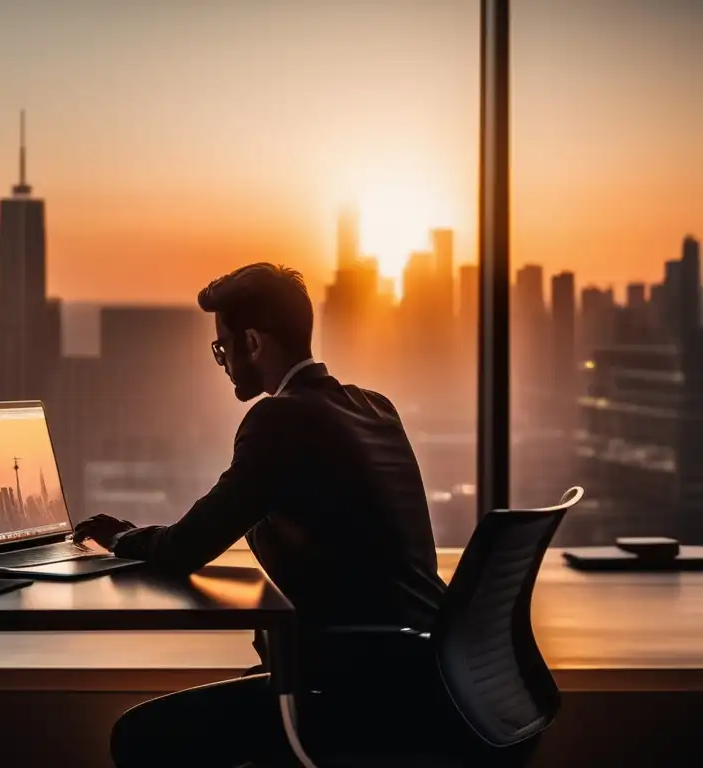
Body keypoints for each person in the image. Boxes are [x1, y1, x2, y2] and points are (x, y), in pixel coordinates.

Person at [75, 263, 447, 767]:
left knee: (138, 737)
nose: (222, 362)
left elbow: (184, 547)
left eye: (222, 347)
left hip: (351, 691)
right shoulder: (375, 407)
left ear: (252, 343)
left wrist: (122, 537)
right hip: (423, 674)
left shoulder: (281, 419)